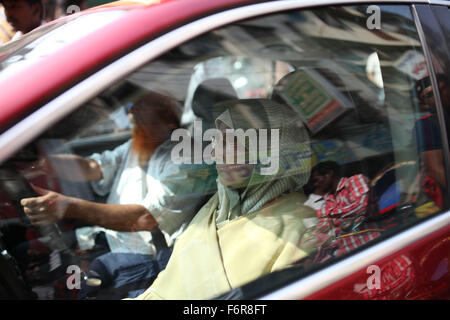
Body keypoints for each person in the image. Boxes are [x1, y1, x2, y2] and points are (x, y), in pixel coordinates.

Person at [20, 90, 217, 298]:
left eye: (144, 108)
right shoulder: (139, 145)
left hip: (142, 256)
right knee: (23, 254)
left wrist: (68, 207)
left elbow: (146, 218)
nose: (133, 110)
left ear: (170, 122)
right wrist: (45, 165)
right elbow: (92, 167)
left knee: (55, 291)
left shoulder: (189, 159)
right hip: (109, 237)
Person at [132, 98, 317, 300]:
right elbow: (167, 284)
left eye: (228, 142)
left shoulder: (301, 230)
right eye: (216, 141)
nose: (214, 152)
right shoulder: (219, 206)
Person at [305, 161, 381, 264]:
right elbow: (327, 227)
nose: (316, 185)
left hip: (373, 248)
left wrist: (319, 213)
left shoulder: (356, 181)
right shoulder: (328, 199)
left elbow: (359, 207)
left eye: (317, 180)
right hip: (351, 258)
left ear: (329, 174)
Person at [411, 75, 447, 208]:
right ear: (424, 103)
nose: (442, 94)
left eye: (443, 88)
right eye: (432, 93)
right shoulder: (427, 124)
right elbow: (435, 169)